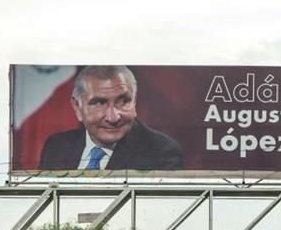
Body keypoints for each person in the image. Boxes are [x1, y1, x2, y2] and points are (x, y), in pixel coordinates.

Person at [39, 65, 184, 171]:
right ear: (77, 106)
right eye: (99, 103)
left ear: (134, 101)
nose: (113, 117)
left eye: (123, 101)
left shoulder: (163, 153)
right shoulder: (56, 146)